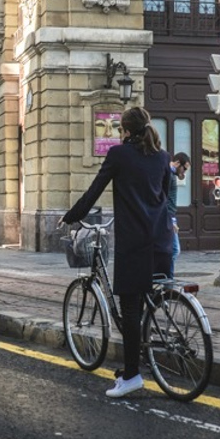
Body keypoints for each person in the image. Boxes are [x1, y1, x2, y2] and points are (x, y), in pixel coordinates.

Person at [60, 106, 173, 398]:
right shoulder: (162, 157)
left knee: (131, 308)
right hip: (160, 242)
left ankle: (132, 375)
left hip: (133, 242)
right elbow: (164, 197)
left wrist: (72, 215)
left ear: (125, 131)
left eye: (120, 130)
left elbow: (95, 190)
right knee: (147, 299)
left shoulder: (119, 155)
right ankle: (143, 357)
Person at [168, 152, 190, 276]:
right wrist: (171, 221)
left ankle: (166, 277)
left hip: (169, 216)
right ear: (177, 164)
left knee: (172, 250)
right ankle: (167, 278)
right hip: (168, 217)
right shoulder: (169, 175)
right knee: (174, 250)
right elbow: (165, 199)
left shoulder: (171, 175)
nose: (184, 172)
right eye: (184, 168)